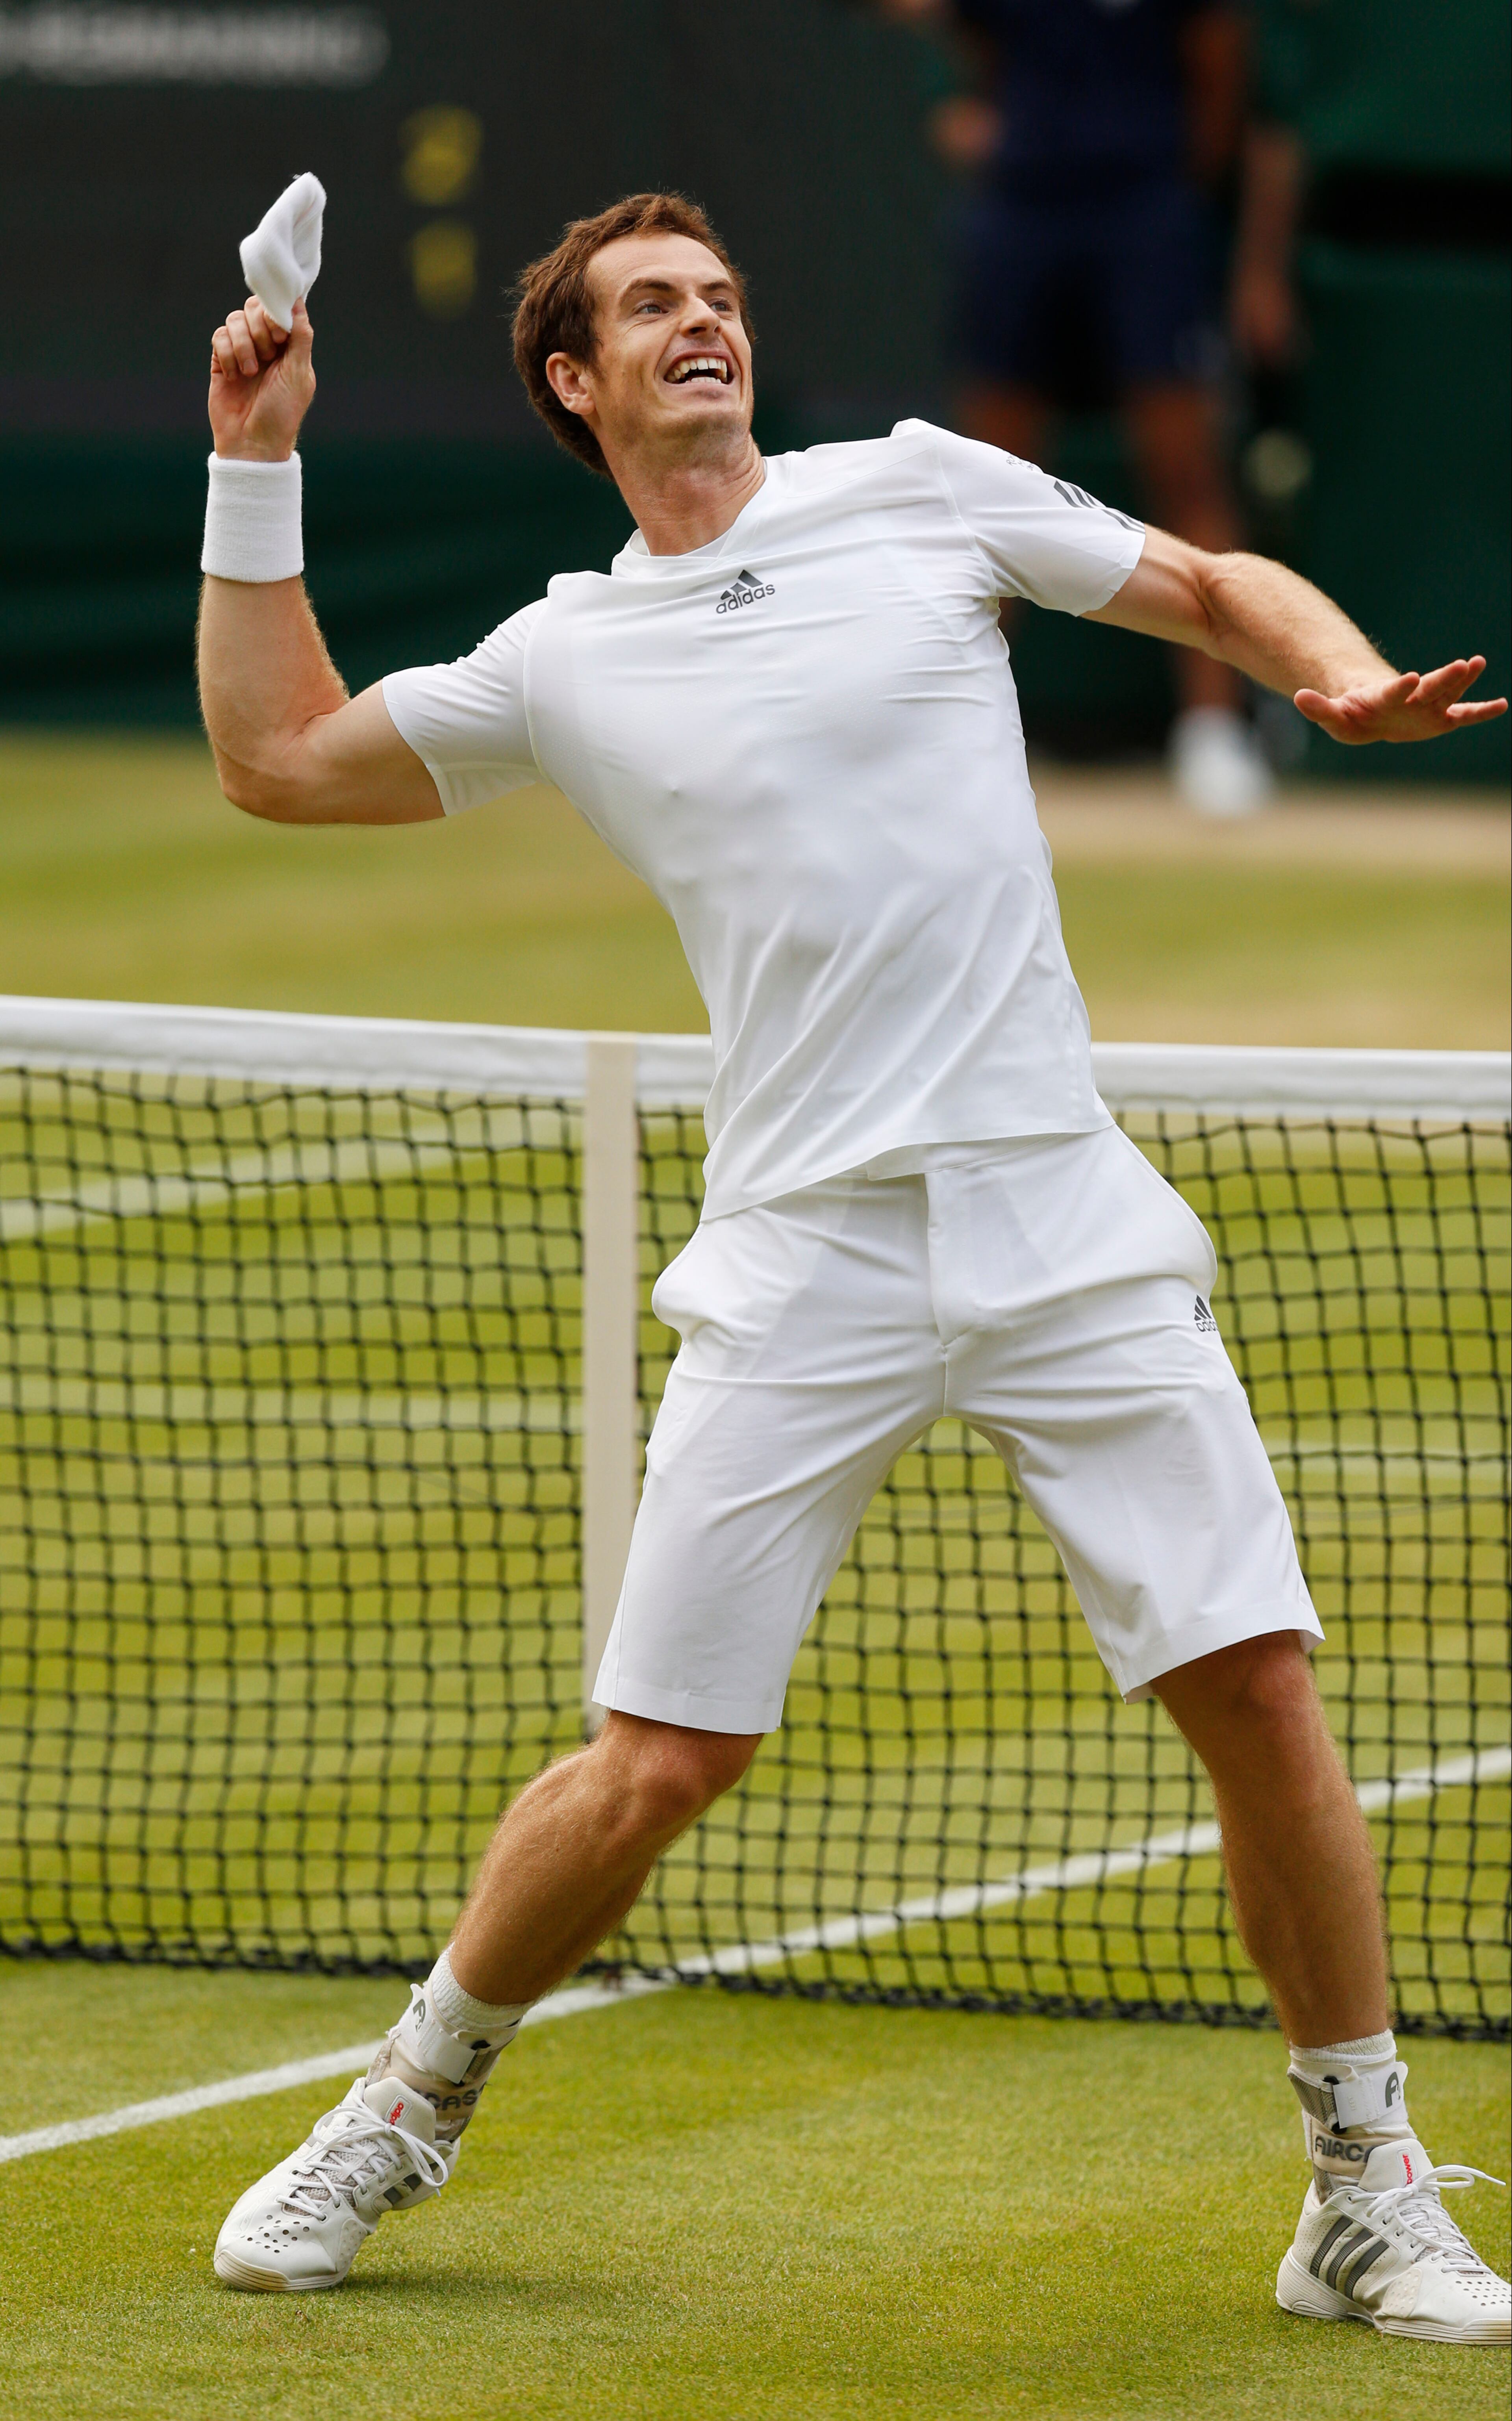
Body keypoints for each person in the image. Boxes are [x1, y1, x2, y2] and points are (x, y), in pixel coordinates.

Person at [198, 192, 1507, 2335]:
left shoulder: (916, 486)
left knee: (1257, 1684)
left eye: (719, 293)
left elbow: (1199, 575)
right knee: (657, 1760)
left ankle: (1364, 2187)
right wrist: (259, 462)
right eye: (650, 308)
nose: (702, 322)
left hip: (1056, 1209)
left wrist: (1331, 674)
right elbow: (275, 759)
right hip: (807, 1243)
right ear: (577, 382)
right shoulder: (560, 654)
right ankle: (404, 2104)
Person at [888, 0, 1275, 812]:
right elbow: (958, 44)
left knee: (1185, 470)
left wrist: (1149, 172)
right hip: (1020, 214)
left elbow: (1220, 76)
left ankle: (1215, 731)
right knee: (983, 482)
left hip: (1145, 212)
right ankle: (941, 741)